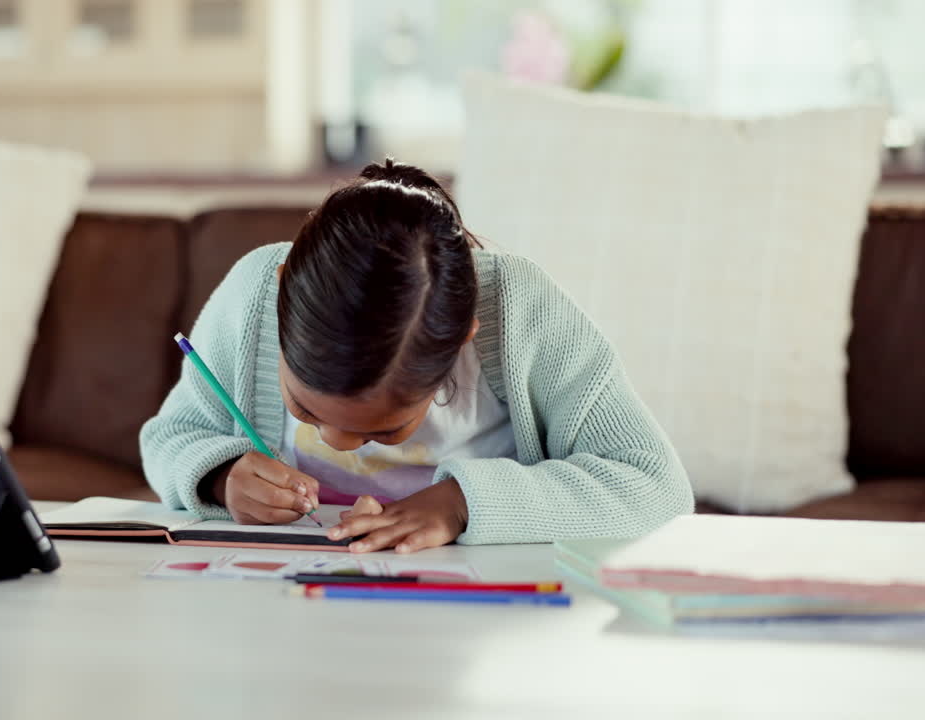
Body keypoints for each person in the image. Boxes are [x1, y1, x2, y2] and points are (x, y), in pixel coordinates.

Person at [140, 159, 693, 553]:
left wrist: (462, 504)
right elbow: (170, 437)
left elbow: (655, 486)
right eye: (305, 410)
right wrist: (219, 477)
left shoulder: (523, 312)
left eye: (385, 429)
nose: (336, 442)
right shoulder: (255, 296)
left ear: (460, 341)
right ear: (283, 299)